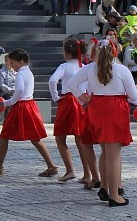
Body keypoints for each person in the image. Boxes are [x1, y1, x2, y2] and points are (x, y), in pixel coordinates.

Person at [67, 39, 137, 207]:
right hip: (115, 109)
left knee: (105, 152)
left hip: (96, 108)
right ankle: (115, 195)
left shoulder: (90, 68)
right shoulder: (121, 69)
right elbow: (133, 96)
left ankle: (105, 188)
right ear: (114, 51)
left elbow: (71, 84)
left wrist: (84, 98)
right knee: (114, 155)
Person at [0, 49, 58, 177]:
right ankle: (51, 166)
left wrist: (7, 103)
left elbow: (19, 90)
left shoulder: (19, 74)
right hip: (30, 105)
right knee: (35, 139)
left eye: (13, 63)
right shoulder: (28, 72)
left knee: (5, 135)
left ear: (21, 62)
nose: (11, 66)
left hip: (21, 107)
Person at [48, 39, 90, 183]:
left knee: (60, 138)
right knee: (81, 139)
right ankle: (87, 173)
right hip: (82, 101)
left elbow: (53, 80)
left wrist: (56, 97)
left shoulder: (64, 66)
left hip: (68, 101)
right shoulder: (85, 67)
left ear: (66, 52)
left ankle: (70, 170)